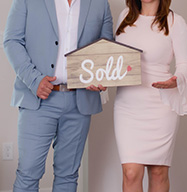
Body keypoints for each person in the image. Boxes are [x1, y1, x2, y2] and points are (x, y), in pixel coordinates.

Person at [3, 0, 113, 191]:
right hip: (38, 100)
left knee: (68, 175)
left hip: (80, 102)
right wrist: (34, 80)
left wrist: (100, 76)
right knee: (28, 173)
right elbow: (12, 41)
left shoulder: (100, 4)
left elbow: (106, 49)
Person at [114, 0, 187, 191]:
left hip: (160, 104)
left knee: (158, 171)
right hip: (128, 105)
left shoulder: (175, 21)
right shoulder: (124, 17)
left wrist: (176, 79)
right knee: (130, 172)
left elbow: (186, 65)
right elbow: (112, 58)